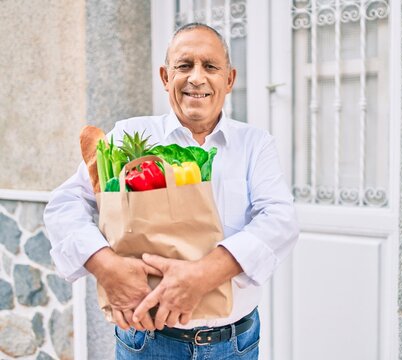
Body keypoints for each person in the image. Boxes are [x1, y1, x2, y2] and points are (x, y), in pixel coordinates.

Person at [44, 23, 299, 359]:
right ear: (165, 77)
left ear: (230, 79)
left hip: (233, 344)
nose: (196, 78)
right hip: (146, 341)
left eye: (210, 66)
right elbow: (65, 204)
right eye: (184, 66)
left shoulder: (255, 145)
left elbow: (280, 220)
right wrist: (105, 265)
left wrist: (202, 276)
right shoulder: (129, 135)